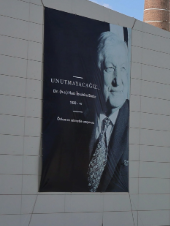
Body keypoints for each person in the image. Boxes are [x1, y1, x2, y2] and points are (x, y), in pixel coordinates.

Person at [40, 28, 131, 192]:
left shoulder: (136, 122)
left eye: (123, 68)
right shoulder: (74, 121)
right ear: (94, 73)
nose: (118, 80)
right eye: (110, 68)